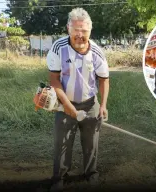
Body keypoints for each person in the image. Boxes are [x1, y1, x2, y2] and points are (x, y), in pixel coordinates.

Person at [46, 8, 109, 191]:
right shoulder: (58, 48)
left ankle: (91, 173)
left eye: (84, 31)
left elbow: (104, 80)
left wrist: (103, 106)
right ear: (68, 29)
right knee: (62, 142)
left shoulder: (97, 52)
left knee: (91, 143)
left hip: (90, 104)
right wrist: (67, 106)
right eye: (76, 30)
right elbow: (54, 80)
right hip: (64, 104)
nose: (80, 35)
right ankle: (59, 178)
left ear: (90, 30)